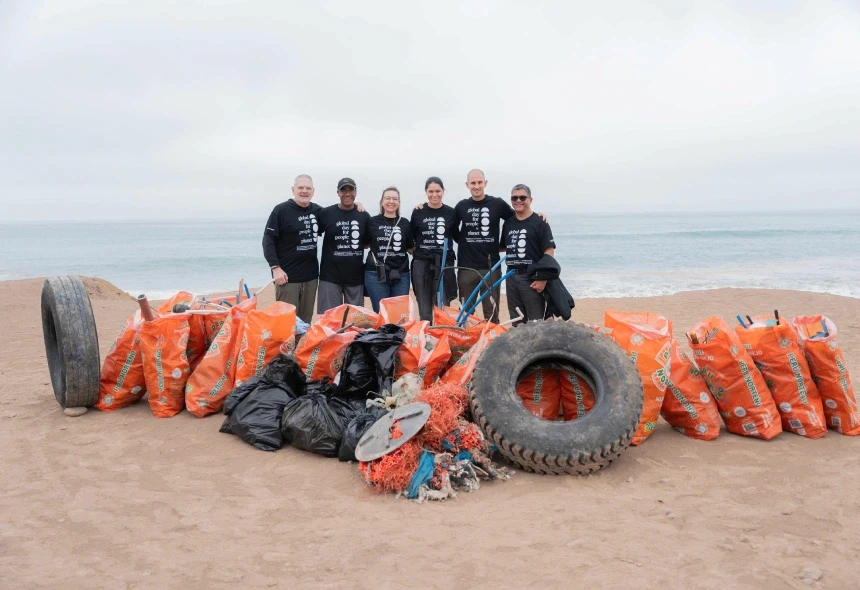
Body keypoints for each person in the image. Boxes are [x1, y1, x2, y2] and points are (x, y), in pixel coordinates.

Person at [453, 169, 515, 324]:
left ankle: (492, 345)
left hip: (491, 267)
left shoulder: (497, 204)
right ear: (467, 185)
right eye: (473, 183)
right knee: (466, 312)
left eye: (479, 182)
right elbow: (452, 228)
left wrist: (503, 243)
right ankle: (466, 344)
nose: (476, 186)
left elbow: (516, 219)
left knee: (491, 312)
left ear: (485, 183)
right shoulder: (461, 206)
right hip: (466, 268)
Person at [262, 174, 323, 324]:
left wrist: (356, 205)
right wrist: (275, 268)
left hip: (311, 277)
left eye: (308, 188)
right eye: (300, 187)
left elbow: (338, 217)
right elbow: (268, 240)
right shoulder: (281, 210)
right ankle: (286, 348)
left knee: (305, 322)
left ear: (313, 191)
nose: (304, 191)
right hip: (287, 278)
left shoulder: (318, 211)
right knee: (285, 322)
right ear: (293, 189)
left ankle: (301, 347)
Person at [501, 184, 556, 324]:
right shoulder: (508, 223)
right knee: (517, 320)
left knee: (536, 321)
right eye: (514, 197)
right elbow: (503, 247)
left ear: (530, 200)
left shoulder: (540, 222)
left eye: (522, 197)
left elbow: (549, 251)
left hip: (532, 278)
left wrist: (543, 278)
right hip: (511, 276)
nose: (518, 200)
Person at [316, 177, 370, 314]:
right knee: (329, 321)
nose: (347, 193)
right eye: (343, 190)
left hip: (355, 277)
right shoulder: (325, 213)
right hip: (330, 277)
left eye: (350, 190)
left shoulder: (364, 216)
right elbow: (308, 233)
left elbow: (367, 243)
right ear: (338, 193)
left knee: (355, 322)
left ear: (355, 192)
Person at [410, 176, 458, 321]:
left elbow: (456, 235)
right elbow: (411, 236)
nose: (434, 194)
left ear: (443, 191)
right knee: (424, 306)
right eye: (431, 191)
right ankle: (426, 338)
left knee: (442, 305)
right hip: (422, 263)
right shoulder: (418, 211)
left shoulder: (451, 212)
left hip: (443, 263)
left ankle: (441, 336)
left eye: (438, 191)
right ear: (426, 192)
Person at [364, 187, 414, 312]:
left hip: (401, 274)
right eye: (387, 198)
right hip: (376, 274)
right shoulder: (372, 221)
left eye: (395, 199)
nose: (391, 201)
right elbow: (365, 244)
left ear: (399, 202)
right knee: (381, 312)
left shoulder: (405, 223)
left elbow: (410, 248)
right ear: (382, 201)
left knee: (399, 313)